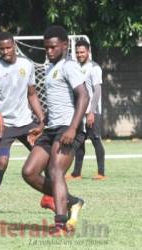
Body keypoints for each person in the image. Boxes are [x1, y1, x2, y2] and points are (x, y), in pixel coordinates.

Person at [21, 25, 89, 233]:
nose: (49, 51)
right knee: (29, 172)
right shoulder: (50, 68)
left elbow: (84, 96)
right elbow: (55, 103)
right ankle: (72, 201)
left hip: (68, 128)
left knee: (55, 170)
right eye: (46, 48)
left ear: (64, 45)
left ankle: (60, 224)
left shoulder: (69, 66)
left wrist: (73, 128)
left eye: (53, 48)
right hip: (51, 129)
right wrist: (42, 125)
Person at [0, 31, 45, 217]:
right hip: (4, 126)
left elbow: (31, 94)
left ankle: (48, 197)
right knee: (1, 162)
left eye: (8, 47)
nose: (5, 51)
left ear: (14, 45)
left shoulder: (27, 64)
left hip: (26, 124)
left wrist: (41, 119)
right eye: (1, 49)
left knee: (44, 157)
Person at [65, 40, 106, 180]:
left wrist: (92, 112)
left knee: (95, 140)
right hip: (80, 112)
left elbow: (97, 91)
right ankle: (76, 173)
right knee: (79, 142)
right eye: (77, 52)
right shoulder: (76, 68)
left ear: (88, 51)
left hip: (91, 112)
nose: (79, 54)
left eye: (82, 52)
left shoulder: (94, 68)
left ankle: (101, 173)